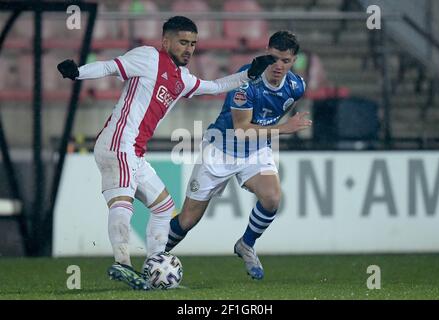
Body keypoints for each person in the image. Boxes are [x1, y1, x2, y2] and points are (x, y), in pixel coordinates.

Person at [57, 16, 275, 290]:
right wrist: (78, 72)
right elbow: (110, 66)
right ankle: (122, 264)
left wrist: (248, 74)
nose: (189, 49)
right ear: (166, 41)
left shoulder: (181, 78)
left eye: (193, 44)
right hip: (118, 143)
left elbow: (215, 87)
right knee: (122, 202)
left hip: (134, 152)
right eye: (183, 42)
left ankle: (154, 263)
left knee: (163, 209)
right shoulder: (148, 57)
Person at [164, 31, 311, 280]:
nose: (278, 66)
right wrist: (284, 129)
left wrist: (273, 131)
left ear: (294, 60)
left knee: (272, 198)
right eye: (274, 58)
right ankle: (156, 255)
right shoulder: (247, 81)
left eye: (285, 61)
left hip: (255, 151)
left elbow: (268, 114)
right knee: (187, 220)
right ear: (266, 51)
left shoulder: (296, 87)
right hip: (221, 149)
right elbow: (242, 130)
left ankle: (246, 244)